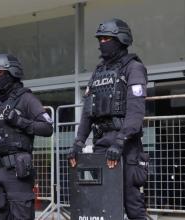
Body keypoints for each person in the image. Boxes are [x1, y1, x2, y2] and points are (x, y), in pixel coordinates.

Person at [67, 18, 149, 220]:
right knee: (102, 205)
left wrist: (121, 140)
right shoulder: (98, 72)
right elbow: (88, 111)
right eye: (100, 39)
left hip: (127, 147)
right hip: (101, 145)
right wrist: (78, 142)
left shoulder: (134, 68)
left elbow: (136, 111)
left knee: (133, 207)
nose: (102, 42)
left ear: (121, 39)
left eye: (107, 38)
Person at [0, 54, 53, 219]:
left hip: (17, 173)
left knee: (21, 215)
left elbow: (47, 127)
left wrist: (19, 121)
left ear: (11, 72)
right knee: (0, 215)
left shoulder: (26, 99)